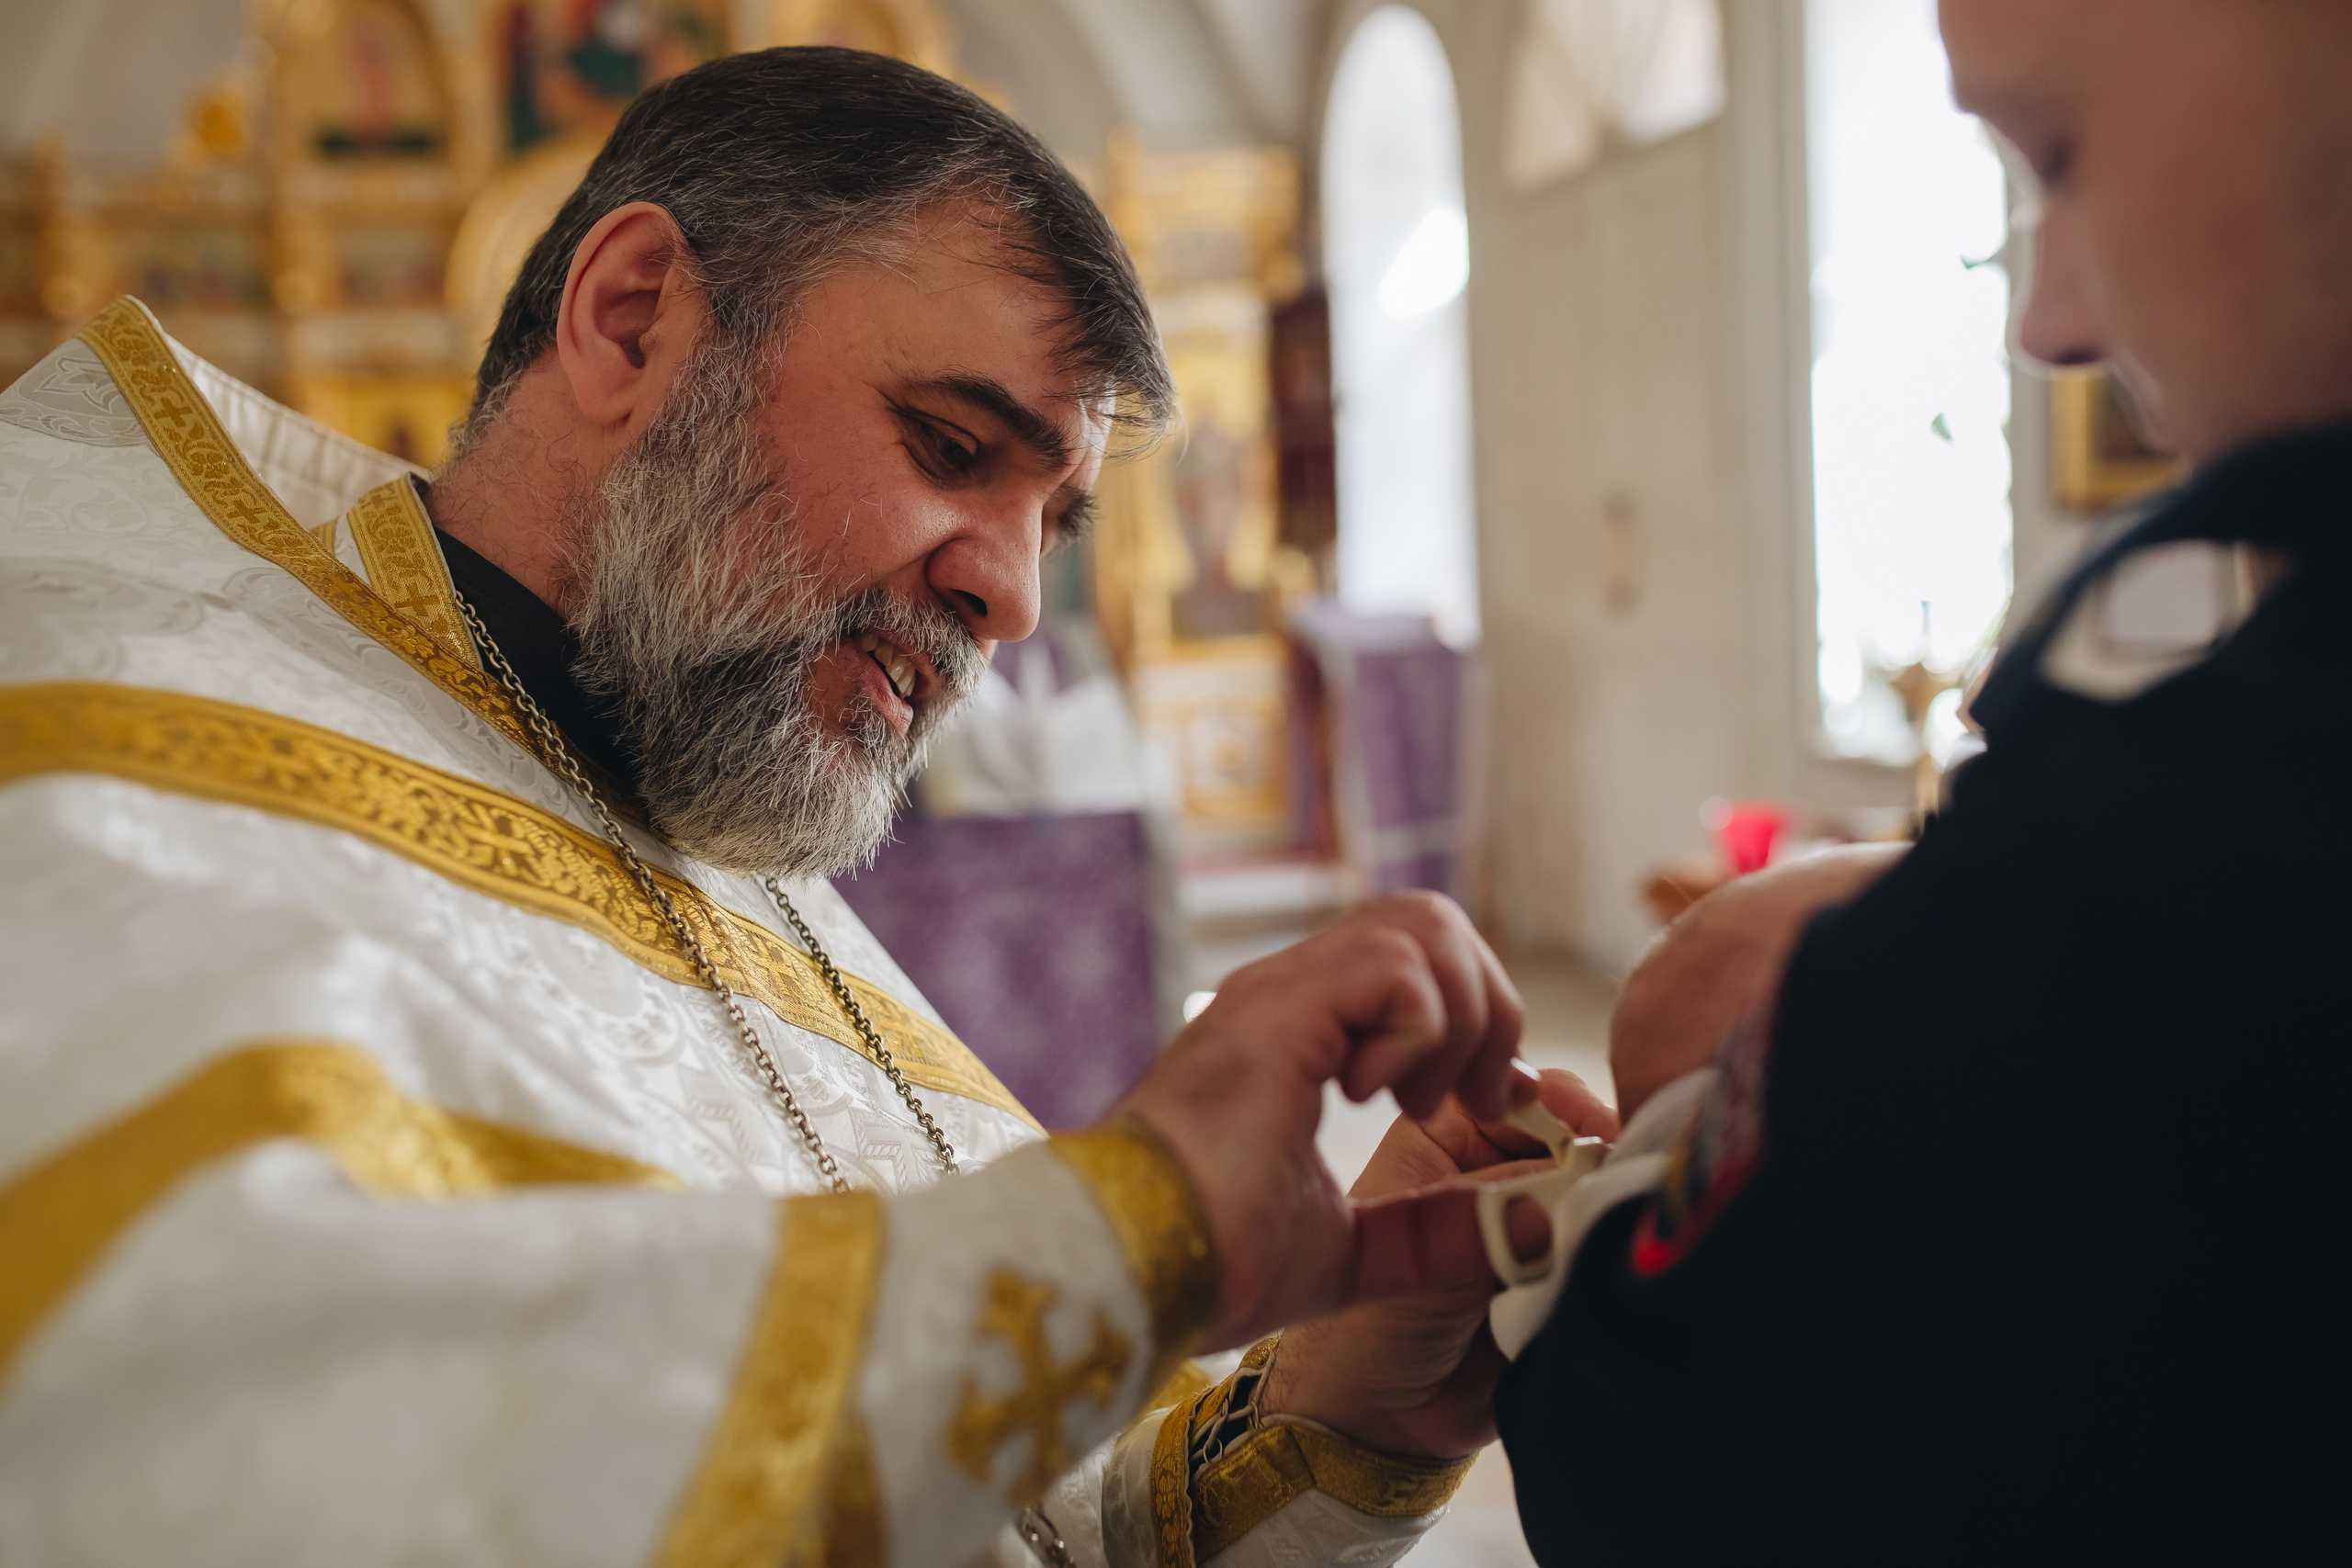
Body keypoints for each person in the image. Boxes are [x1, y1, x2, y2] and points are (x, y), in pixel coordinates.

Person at [0, 48, 1613, 1567]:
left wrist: (1334, 1404)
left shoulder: (717, 821)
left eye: (1052, 519)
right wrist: (1128, 1231)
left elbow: (1013, 1522)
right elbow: (210, 1453)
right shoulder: (128, 745)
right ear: (631, 322)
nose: (1012, 599)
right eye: (951, 443)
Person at [1488, 0, 2352, 1557]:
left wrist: (1671, 1145)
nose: (2052, 321)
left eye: (2063, 157)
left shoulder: (2147, 869)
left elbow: (1661, 1466)